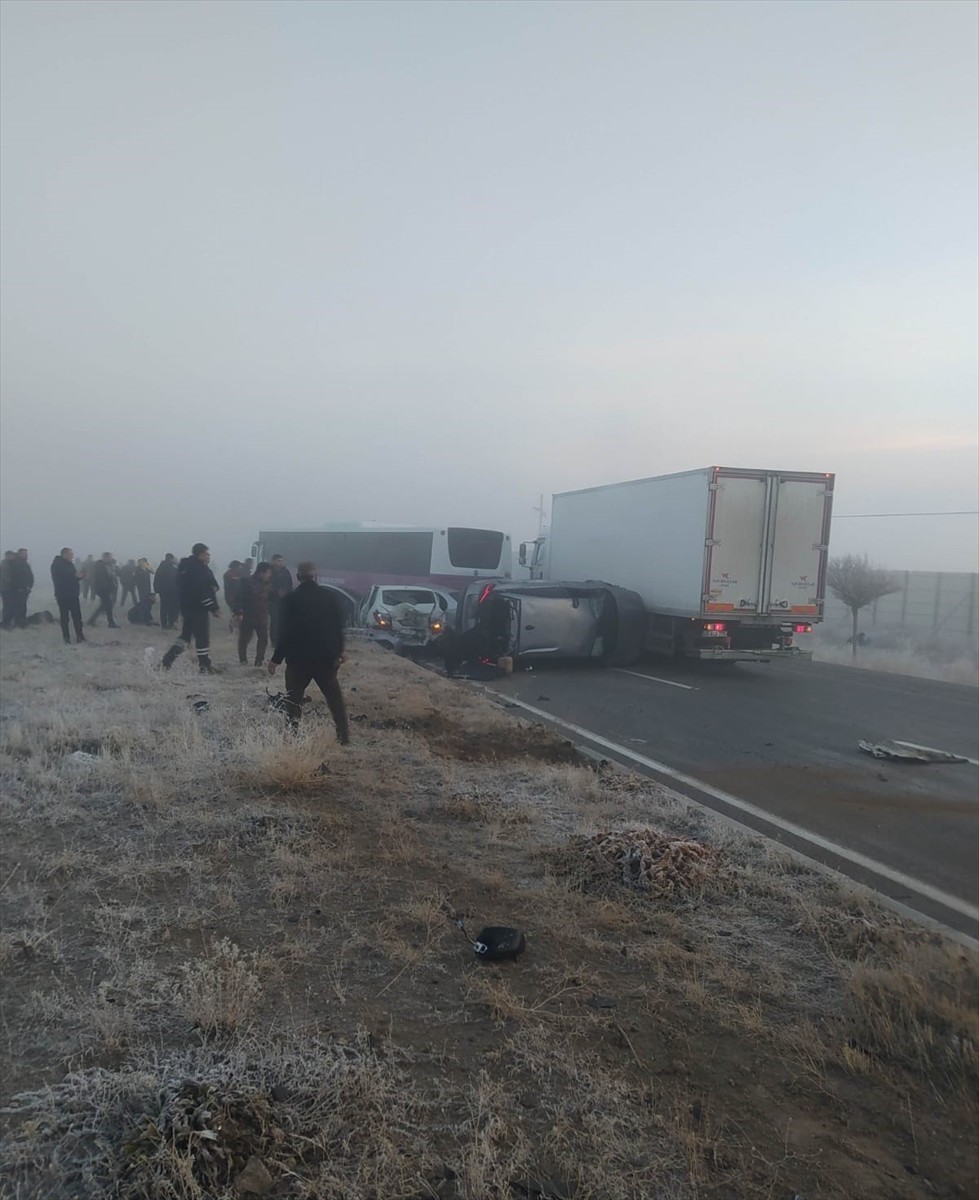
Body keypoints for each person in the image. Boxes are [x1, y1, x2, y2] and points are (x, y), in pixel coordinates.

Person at [268, 560, 349, 742]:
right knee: (335, 700)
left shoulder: (290, 600)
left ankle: (292, 736)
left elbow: (285, 633)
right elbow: (338, 627)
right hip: (325, 658)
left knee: (293, 700)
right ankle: (344, 736)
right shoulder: (329, 597)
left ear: (297, 577)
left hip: (298, 660)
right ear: (316, 576)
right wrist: (340, 650)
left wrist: (276, 659)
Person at [161, 543, 222, 673]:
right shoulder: (199, 569)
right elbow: (204, 590)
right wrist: (213, 607)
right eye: (207, 554)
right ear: (200, 554)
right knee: (202, 638)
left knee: (185, 636)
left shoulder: (185, 567)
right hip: (198, 608)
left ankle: (167, 660)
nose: (209, 556)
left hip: (186, 607)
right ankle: (205, 666)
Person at [236, 561, 272, 666]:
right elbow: (238, 598)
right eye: (268, 573)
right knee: (244, 639)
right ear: (261, 573)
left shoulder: (268, 584)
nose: (269, 575)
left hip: (262, 616)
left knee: (263, 639)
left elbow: (271, 597)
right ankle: (243, 660)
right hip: (248, 615)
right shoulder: (247, 582)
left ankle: (259, 661)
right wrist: (238, 611)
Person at [51, 547, 86, 644]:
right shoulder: (57, 564)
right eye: (70, 554)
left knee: (77, 617)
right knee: (64, 617)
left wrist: (79, 577)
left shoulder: (70, 564)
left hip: (73, 594)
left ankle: (80, 636)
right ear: (64, 554)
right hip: (63, 595)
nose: (72, 556)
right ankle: (66, 638)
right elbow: (60, 578)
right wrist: (75, 576)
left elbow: (72, 577)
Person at [87, 553, 120, 628]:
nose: (111, 559)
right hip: (103, 589)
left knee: (104, 606)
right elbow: (100, 578)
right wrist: (107, 587)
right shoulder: (100, 566)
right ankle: (111, 623)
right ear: (105, 558)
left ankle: (91, 620)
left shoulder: (109, 565)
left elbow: (114, 574)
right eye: (110, 558)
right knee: (108, 605)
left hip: (107, 588)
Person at [6, 549, 35, 630]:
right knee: (16, 607)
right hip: (16, 591)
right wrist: (19, 588)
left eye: (26, 554)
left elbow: (30, 576)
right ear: (19, 554)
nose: (25, 555)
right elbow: (14, 578)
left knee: (22, 607)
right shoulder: (14, 564)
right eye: (23, 554)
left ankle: (21, 623)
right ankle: (16, 624)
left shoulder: (25, 564)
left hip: (25, 590)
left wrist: (29, 586)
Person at [269, 554, 294, 645]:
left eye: (282, 561)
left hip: (284, 600)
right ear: (274, 561)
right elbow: (266, 585)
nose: (281, 562)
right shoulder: (269, 571)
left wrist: (286, 592)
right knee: (274, 619)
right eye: (279, 560)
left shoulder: (285, 572)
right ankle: (274, 641)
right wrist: (276, 592)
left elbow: (289, 584)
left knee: (282, 620)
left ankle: (281, 639)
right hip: (273, 600)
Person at [154, 553, 179, 629]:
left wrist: (157, 589)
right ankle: (171, 623)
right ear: (171, 559)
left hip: (163, 591)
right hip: (172, 591)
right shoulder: (172, 568)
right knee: (172, 607)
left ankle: (164, 624)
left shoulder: (161, 567)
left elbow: (156, 579)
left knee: (164, 607)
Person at [0, 550, 15, 629]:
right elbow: (5, 577)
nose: (11, 557)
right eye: (9, 556)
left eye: (12, 556)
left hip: (12, 590)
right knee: (7, 606)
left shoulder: (13, 564)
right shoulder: (4, 565)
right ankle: (5, 623)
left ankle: (9, 622)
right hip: (6, 589)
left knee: (12, 606)